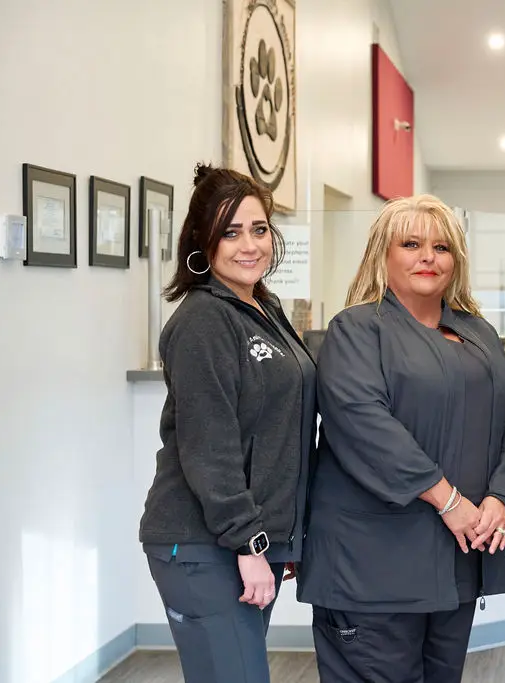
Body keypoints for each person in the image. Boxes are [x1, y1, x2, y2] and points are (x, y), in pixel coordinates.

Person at [297, 194, 505, 683]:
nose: (429, 256)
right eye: (411, 243)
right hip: (372, 568)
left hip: (457, 564)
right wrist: (449, 501)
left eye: (442, 247)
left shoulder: (479, 333)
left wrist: (502, 499)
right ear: (383, 253)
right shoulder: (356, 330)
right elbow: (366, 427)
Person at [138, 164, 317, 683]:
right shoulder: (202, 321)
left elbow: (282, 430)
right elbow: (208, 447)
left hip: (244, 542)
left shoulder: (263, 305)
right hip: (203, 545)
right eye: (230, 232)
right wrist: (250, 544)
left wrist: (282, 537)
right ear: (203, 242)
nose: (249, 245)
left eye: (259, 229)